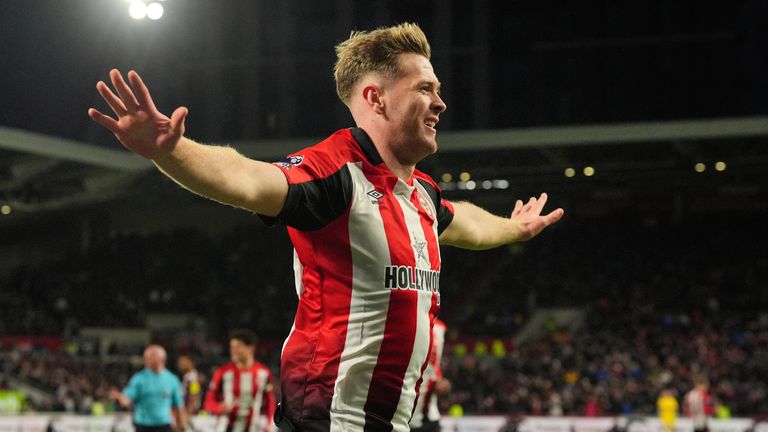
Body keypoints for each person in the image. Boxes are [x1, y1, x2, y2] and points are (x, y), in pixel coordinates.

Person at [88, 23, 564, 431]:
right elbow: (249, 179)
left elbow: (469, 225)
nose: (440, 103)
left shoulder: (420, 194)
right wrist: (171, 150)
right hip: (329, 420)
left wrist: (514, 228)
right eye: (424, 88)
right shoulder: (335, 173)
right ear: (375, 98)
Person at [203, 331, 276, 432]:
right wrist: (218, 408)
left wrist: (270, 423)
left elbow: (270, 401)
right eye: (232, 347)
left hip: (252, 428)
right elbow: (208, 401)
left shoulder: (263, 373)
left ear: (251, 348)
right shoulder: (223, 372)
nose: (233, 351)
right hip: (226, 428)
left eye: (238, 347)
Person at [110, 344, 187, 432]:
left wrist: (181, 426)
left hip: (164, 425)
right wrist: (119, 397)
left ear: (161, 359)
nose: (146, 360)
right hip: (143, 426)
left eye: (150, 357)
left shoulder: (172, 380)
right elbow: (126, 399)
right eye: (146, 358)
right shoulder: (139, 379)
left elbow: (179, 406)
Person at [410, 318, 448, 432]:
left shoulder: (436, 329)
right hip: (404, 418)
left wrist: (445, 384)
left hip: (426, 420)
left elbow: (434, 370)